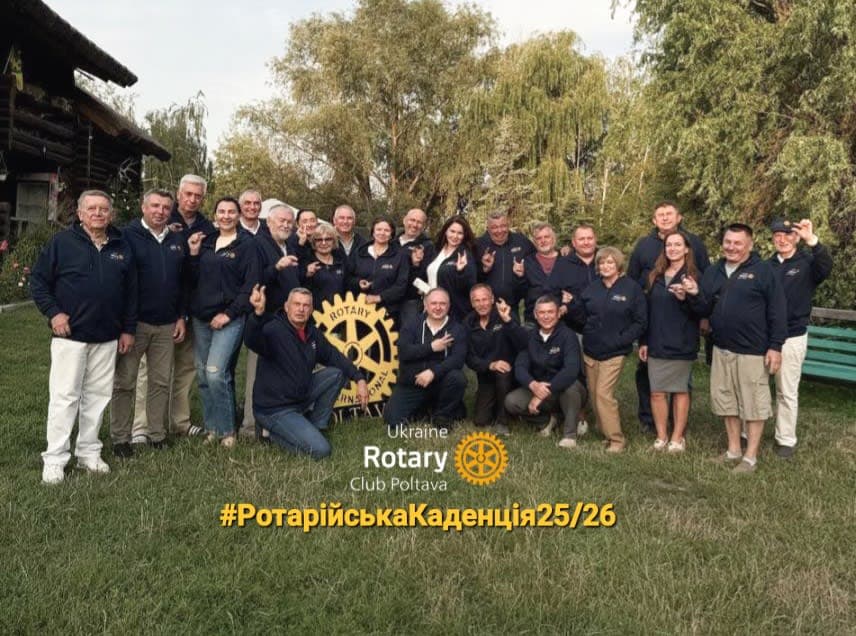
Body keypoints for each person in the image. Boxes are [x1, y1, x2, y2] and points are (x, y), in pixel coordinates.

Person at [31, 190, 137, 484]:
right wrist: (54, 313)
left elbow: (131, 293)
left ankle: (89, 452)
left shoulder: (121, 246)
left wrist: (128, 329)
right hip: (70, 335)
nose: (98, 214)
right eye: (91, 209)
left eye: (104, 209)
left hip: (107, 336)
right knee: (65, 397)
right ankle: (55, 459)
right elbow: (38, 282)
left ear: (111, 214)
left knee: (98, 397)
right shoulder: (61, 243)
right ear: (80, 214)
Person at [685, 223, 786, 473]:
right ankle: (733, 450)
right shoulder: (714, 271)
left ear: (750, 245)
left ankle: (750, 457)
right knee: (726, 402)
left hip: (752, 350)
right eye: (728, 242)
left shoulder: (763, 271)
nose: (731, 247)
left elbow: (777, 310)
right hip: (721, 348)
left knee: (753, 404)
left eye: (738, 243)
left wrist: (775, 346)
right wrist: (694, 293)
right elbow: (703, 309)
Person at [245, 285, 368, 459]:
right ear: (287, 306)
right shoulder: (273, 329)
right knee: (321, 451)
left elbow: (333, 356)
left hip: (299, 396)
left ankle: (315, 427)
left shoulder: (312, 332)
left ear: (311, 310)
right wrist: (257, 315)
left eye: (305, 305)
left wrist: (359, 379)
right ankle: (270, 434)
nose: (301, 309)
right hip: (275, 409)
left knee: (336, 374)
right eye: (296, 304)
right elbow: (252, 341)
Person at [110, 189, 187, 457]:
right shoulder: (126, 236)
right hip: (135, 325)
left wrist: (180, 316)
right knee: (125, 382)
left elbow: (182, 282)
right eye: (155, 206)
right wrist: (125, 326)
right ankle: (120, 438)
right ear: (143, 207)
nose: (160, 211)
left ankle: (157, 434)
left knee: (160, 382)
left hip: (166, 324)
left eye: (166, 207)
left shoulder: (176, 239)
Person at [627, 201, 710, 434]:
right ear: (654, 220)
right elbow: (633, 280)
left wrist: (704, 316)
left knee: (681, 383)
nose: (664, 218)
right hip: (652, 324)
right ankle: (650, 420)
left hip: (682, 327)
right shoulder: (644, 246)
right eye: (660, 215)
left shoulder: (695, 245)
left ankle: (677, 426)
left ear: (679, 217)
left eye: (669, 214)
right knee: (647, 377)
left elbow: (706, 283)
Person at [187, 197, 259, 447]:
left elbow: (250, 287)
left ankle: (228, 430)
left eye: (231, 212)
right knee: (203, 375)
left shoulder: (247, 245)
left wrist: (228, 314)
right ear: (215, 214)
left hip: (230, 318)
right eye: (222, 211)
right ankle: (212, 428)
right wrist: (194, 254)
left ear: (238, 216)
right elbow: (193, 278)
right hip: (201, 318)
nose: (226, 216)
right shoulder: (205, 241)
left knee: (216, 373)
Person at [568, 247, 647, 452]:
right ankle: (605, 432)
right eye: (602, 263)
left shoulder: (631, 288)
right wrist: (570, 305)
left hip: (615, 352)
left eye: (610, 262)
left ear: (618, 265)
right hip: (591, 350)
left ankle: (617, 440)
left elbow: (640, 322)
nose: (605, 266)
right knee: (594, 394)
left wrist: (622, 340)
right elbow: (581, 316)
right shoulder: (593, 288)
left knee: (604, 394)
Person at [769, 218, 832, 458]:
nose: (782, 239)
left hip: (792, 337)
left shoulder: (808, 263)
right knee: (756, 388)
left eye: (787, 234)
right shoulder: (767, 265)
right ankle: (747, 432)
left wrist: (812, 241)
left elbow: (825, 267)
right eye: (777, 235)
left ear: (796, 237)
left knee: (786, 391)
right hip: (764, 338)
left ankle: (785, 439)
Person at [237, 202, 299, 439]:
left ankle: (274, 422)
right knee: (257, 373)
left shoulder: (289, 244)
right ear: (268, 222)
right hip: (266, 319)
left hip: (288, 321)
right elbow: (253, 280)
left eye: (288, 221)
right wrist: (276, 267)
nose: (285, 224)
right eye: (281, 220)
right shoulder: (258, 244)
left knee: (280, 373)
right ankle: (250, 425)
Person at [638, 231, 703, 453]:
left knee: (679, 391)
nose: (672, 248)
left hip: (682, 341)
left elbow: (701, 311)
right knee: (657, 391)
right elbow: (646, 311)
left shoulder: (694, 276)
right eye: (669, 245)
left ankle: (677, 437)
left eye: (677, 245)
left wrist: (688, 297)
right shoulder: (654, 276)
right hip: (656, 340)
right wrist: (644, 341)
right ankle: (661, 435)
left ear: (687, 249)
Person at [163, 174, 215, 438]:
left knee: (185, 368)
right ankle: (149, 424)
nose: (193, 199)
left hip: (193, 305)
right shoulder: (163, 217)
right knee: (155, 370)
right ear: (179, 194)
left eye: (198, 195)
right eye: (188, 194)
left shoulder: (208, 227)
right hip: (162, 305)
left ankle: (179, 422)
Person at [505, 296, 588, 448]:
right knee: (511, 401)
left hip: (566, 388)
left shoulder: (568, 336)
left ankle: (569, 435)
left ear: (558, 314)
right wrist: (533, 386)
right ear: (535, 315)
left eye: (550, 312)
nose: (546, 316)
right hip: (541, 388)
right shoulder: (529, 336)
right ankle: (547, 421)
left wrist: (543, 392)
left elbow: (570, 371)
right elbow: (520, 367)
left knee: (571, 389)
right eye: (541, 312)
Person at [384, 288, 467, 432]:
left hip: (440, 382)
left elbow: (457, 360)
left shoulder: (457, 329)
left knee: (458, 378)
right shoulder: (411, 325)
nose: (438, 307)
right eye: (433, 303)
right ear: (426, 305)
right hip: (414, 382)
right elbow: (403, 352)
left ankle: (442, 415)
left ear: (449, 306)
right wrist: (431, 347)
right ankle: (425, 408)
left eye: (443, 303)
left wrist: (433, 372)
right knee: (392, 419)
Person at [464, 284, 528, 436]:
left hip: (511, 374)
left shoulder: (505, 314)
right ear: (472, 303)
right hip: (487, 374)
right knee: (481, 421)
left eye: (485, 299)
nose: (481, 304)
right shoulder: (468, 323)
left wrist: (508, 321)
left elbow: (524, 344)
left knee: (503, 372)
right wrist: (490, 365)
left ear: (492, 299)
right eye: (477, 301)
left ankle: (502, 421)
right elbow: (468, 357)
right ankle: (497, 404)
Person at [348, 215, 410, 325]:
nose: (382, 233)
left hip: (389, 313)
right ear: (373, 232)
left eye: (386, 230)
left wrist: (379, 298)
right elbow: (348, 277)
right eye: (379, 229)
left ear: (391, 234)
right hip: (360, 312)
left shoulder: (400, 255)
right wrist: (358, 283)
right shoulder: (359, 253)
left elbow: (401, 286)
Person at [414, 215, 477, 322]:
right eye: (452, 231)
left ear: (464, 235)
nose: (455, 236)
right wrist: (416, 263)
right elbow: (427, 276)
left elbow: (470, 286)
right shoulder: (436, 250)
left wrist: (461, 272)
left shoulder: (465, 255)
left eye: (459, 233)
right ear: (446, 231)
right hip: (430, 308)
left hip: (453, 313)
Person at [518, 222, 578, 324]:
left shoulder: (566, 259)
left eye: (547, 237)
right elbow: (520, 292)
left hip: (562, 321)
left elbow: (576, 288)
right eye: (539, 238)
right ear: (534, 242)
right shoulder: (527, 262)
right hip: (533, 321)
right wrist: (519, 277)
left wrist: (567, 305)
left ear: (553, 239)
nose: (543, 241)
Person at [475, 211, 534, 309]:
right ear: (488, 229)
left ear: (508, 225)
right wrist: (484, 269)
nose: (499, 230)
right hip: (485, 308)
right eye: (494, 227)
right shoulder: (478, 245)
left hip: (513, 307)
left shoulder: (521, 241)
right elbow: (470, 278)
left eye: (503, 226)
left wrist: (562, 251)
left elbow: (540, 256)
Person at [397, 208, 436, 324]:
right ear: (404, 220)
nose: (414, 225)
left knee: (407, 337)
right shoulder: (392, 242)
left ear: (424, 226)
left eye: (419, 222)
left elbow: (427, 277)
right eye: (412, 220)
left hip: (411, 302)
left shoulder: (428, 247)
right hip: (389, 300)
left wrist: (416, 265)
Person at [303, 223, 348, 307]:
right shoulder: (307, 261)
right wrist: (306, 275)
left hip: (338, 313)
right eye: (319, 240)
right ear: (313, 242)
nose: (323, 243)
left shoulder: (341, 261)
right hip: (315, 315)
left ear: (334, 241)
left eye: (328, 239)